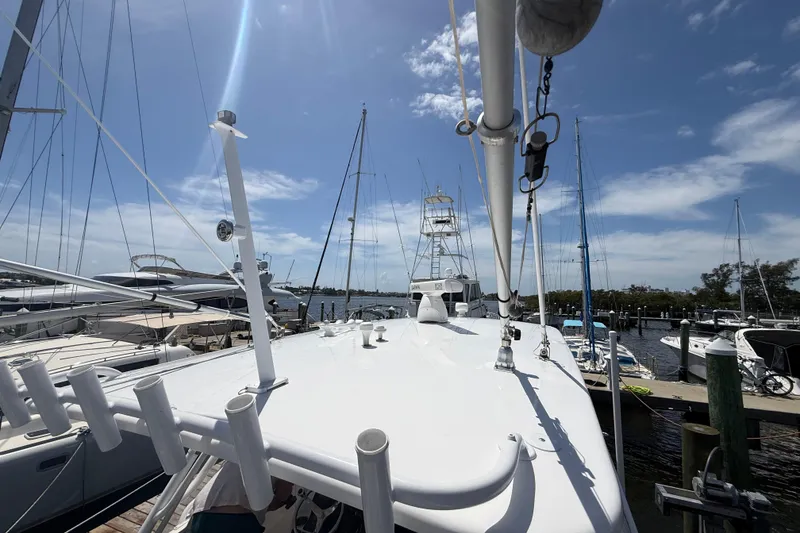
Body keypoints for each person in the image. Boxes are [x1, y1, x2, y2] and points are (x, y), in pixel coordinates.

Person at [181, 461, 296, 533]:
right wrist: (281, 501)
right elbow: (282, 494)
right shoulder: (286, 457)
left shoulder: (243, 443)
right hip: (236, 519)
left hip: (202, 510)